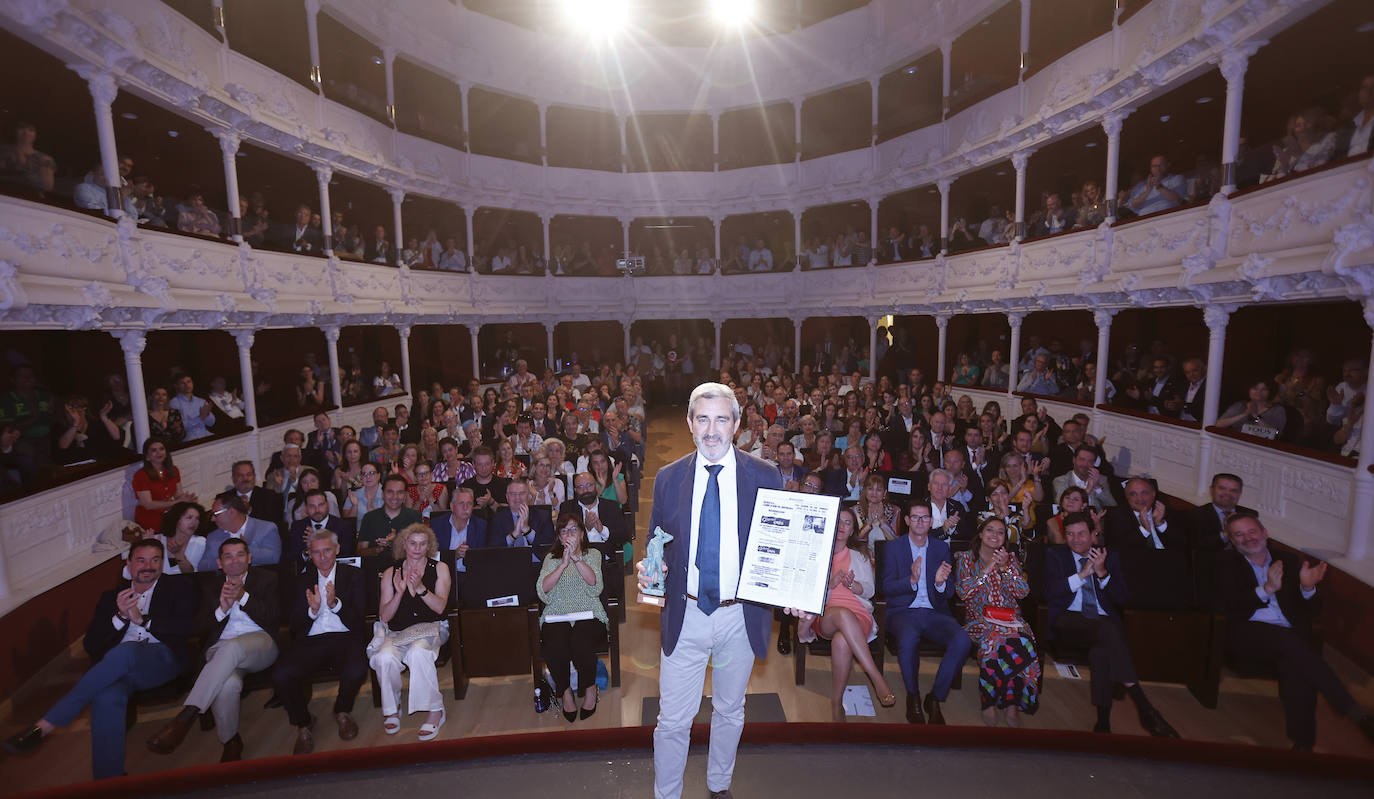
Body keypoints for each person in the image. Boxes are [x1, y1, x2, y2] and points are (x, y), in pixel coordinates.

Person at [635, 382, 785, 799]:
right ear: (689, 423)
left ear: (736, 425)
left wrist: (796, 590)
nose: (712, 429)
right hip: (685, 616)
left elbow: (781, 548)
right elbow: (656, 545)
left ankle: (719, 786)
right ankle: (667, 795)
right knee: (673, 722)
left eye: (722, 419)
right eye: (703, 418)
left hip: (741, 615)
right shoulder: (667, 478)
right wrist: (650, 570)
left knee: (730, 712)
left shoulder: (765, 475)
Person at [3, 540, 196, 779]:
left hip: (162, 660)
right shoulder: (111, 598)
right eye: (141, 560)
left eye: (155, 560)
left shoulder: (179, 587)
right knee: (107, 695)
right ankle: (109, 780)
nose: (148, 566)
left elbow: (186, 628)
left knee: (125, 651)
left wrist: (142, 619)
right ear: (129, 564)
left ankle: (45, 726)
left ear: (162, 563)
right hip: (119, 668)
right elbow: (91, 644)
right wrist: (119, 616)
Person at [1216, 512, 1374, 750]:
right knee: (1291, 644)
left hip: (1288, 639)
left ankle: (1303, 745)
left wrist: (1308, 588)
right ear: (1231, 539)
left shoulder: (1288, 561)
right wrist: (1267, 588)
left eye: (1252, 532)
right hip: (1247, 634)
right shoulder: (1224, 564)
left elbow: (1313, 610)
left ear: (1264, 534)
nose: (1247, 538)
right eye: (1239, 534)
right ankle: (1355, 713)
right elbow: (1229, 607)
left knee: (1295, 664)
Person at [144, 538, 278, 762]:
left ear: (249, 558)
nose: (234, 561)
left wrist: (243, 597)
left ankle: (187, 715)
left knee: (232, 646)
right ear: (219, 563)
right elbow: (198, 628)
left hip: (260, 644)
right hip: (220, 648)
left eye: (240, 555)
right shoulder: (210, 586)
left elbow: (273, 617)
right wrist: (221, 611)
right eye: (228, 556)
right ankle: (231, 741)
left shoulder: (267, 579)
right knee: (228, 685)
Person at [1044, 512, 1178, 737]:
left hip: (1102, 624)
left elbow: (1123, 598)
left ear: (1093, 534)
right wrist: (1082, 574)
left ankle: (1103, 723)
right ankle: (1144, 707)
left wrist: (1103, 573)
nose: (1076, 539)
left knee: (1101, 653)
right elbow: (1049, 592)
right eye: (1070, 534)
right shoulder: (1056, 555)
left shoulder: (1110, 556)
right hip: (1068, 621)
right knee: (1108, 631)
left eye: (1081, 534)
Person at [272, 528, 368, 754]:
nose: (323, 557)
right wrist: (312, 611)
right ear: (309, 554)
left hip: (345, 636)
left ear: (337, 549)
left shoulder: (354, 576)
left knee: (357, 669)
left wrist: (335, 604)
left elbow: (358, 620)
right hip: (311, 640)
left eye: (327, 550)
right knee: (281, 674)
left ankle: (342, 711)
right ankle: (303, 723)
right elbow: (294, 624)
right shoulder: (301, 581)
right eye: (316, 552)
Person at [797, 506, 895, 722]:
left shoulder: (859, 556)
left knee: (842, 641)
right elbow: (805, 593)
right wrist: (830, 587)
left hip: (858, 613)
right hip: (826, 615)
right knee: (842, 614)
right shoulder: (816, 554)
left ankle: (836, 701)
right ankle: (876, 678)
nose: (842, 526)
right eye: (838, 522)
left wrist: (855, 586)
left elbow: (869, 590)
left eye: (848, 523)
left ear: (853, 530)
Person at [880, 502, 972, 726]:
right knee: (909, 640)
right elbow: (887, 587)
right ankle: (913, 695)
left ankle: (935, 698)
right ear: (908, 521)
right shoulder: (893, 548)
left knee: (963, 640)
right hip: (903, 611)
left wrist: (940, 583)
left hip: (934, 612)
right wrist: (911, 581)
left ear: (932, 522)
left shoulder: (941, 549)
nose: (920, 522)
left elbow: (949, 591)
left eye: (925, 518)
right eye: (915, 517)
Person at [955, 516, 1040, 727]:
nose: (995, 535)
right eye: (990, 530)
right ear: (981, 534)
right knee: (995, 642)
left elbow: (1022, 592)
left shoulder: (1011, 560)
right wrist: (988, 567)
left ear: (1005, 538)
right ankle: (989, 703)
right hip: (980, 621)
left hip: (1011, 621)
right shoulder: (965, 559)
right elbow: (964, 593)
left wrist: (1005, 569)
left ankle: (1012, 705)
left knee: (1021, 642)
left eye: (1000, 532)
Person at [370, 523, 450, 740]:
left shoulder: (440, 568)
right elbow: (385, 616)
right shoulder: (390, 573)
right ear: (404, 545)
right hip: (397, 632)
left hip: (431, 628)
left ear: (428, 546)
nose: (417, 548)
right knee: (384, 658)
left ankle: (436, 710)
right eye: (413, 543)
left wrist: (421, 588)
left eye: (422, 544)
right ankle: (392, 707)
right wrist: (400, 592)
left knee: (418, 653)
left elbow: (441, 608)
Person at [538, 512, 607, 722]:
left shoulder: (593, 554)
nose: (569, 534)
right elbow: (543, 590)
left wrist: (576, 559)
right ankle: (565, 691)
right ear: (559, 537)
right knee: (554, 643)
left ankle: (589, 688)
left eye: (573, 529)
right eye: (564, 530)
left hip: (589, 612)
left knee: (580, 642)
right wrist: (562, 565)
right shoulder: (551, 559)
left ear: (582, 534)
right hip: (557, 614)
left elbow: (595, 586)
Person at [131, 438, 195, 533]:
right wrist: (176, 502)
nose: (159, 452)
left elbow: (178, 495)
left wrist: (188, 500)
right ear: (147, 456)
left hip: (169, 512)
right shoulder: (141, 475)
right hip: (150, 517)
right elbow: (148, 505)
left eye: (161, 449)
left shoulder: (173, 470)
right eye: (154, 450)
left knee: (193, 519)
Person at [202, 495, 281, 569]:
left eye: (215, 514)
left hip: (257, 580)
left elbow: (274, 557)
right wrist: (225, 560)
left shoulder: (266, 528)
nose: (212, 519)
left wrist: (245, 550)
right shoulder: (213, 536)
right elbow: (203, 566)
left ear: (231, 512)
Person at [358, 475, 423, 559]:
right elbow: (360, 551)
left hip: (406, 568)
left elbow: (421, 551)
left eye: (400, 492)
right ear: (382, 494)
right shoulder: (369, 517)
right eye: (390, 492)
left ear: (405, 495)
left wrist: (395, 542)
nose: (395, 497)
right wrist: (378, 549)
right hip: (376, 568)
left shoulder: (415, 517)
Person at [1185, 472, 1253, 551]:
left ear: (1239, 493)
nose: (1227, 493)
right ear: (1212, 490)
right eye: (1222, 488)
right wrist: (1226, 533)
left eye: (1233, 490)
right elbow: (1196, 547)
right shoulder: (1195, 515)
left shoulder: (1249, 515)